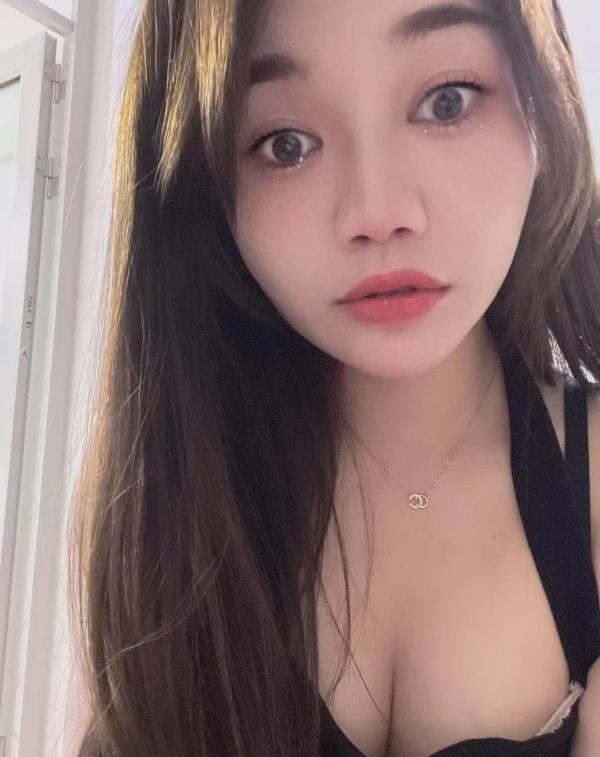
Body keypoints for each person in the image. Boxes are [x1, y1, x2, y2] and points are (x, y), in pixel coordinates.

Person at [67, 1, 600, 756]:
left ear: (542, 98)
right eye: (285, 144)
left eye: (447, 100)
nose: (377, 212)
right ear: (202, 191)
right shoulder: (177, 508)